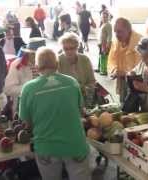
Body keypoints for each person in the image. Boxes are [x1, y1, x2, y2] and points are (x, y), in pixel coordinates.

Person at [19, 47, 91, 180]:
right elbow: (81, 112)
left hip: (46, 147)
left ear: (37, 67)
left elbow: (26, 123)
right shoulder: (72, 82)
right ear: (57, 64)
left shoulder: (28, 89)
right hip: (74, 144)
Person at [4, 38, 45, 114]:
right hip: (24, 108)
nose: (37, 57)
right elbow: (8, 89)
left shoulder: (48, 64)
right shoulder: (17, 65)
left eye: (40, 54)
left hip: (44, 107)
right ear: (28, 53)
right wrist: (30, 88)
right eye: (33, 53)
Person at [108, 17, 142, 103]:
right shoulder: (116, 41)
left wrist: (126, 73)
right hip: (122, 81)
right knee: (123, 105)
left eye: (119, 31)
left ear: (129, 30)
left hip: (138, 84)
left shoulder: (140, 41)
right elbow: (112, 60)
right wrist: (114, 70)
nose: (116, 35)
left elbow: (141, 67)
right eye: (115, 31)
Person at [58, 32, 95, 107]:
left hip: (84, 97)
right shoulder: (58, 61)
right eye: (65, 49)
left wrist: (85, 89)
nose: (69, 51)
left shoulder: (85, 59)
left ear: (77, 47)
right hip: (65, 99)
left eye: (72, 48)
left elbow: (92, 81)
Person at [97, 10, 112, 75]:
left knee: (104, 57)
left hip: (104, 44)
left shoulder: (108, 25)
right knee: (101, 55)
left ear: (108, 17)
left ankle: (104, 70)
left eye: (105, 17)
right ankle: (100, 68)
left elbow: (110, 35)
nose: (104, 18)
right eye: (102, 17)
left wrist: (107, 45)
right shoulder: (103, 24)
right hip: (101, 43)